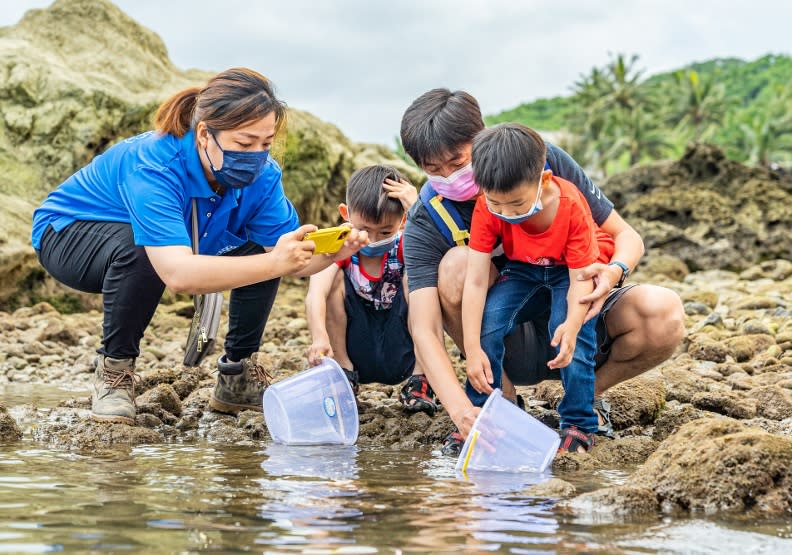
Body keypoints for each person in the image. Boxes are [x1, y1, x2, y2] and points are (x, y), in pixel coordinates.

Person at [31, 68, 367, 425]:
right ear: (205, 134)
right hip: (70, 235)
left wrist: (333, 254)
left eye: (265, 143)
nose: (256, 154)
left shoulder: (263, 177)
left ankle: (236, 376)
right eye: (244, 143)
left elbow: (292, 256)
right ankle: (115, 372)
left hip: (184, 239)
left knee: (268, 249)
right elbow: (176, 275)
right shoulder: (155, 163)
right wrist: (277, 263)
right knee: (139, 248)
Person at [399, 88, 685, 455]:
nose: (450, 177)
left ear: (481, 137)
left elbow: (627, 236)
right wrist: (461, 411)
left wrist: (613, 273)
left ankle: (582, 399)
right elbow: (423, 327)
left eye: (457, 162)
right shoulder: (429, 215)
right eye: (433, 170)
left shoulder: (539, 164)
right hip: (505, 335)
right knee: (459, 263)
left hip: (575, 307)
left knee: (663, 312)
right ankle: (497, 403)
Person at [463, 123, 615, 452]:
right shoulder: (487, 205)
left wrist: (573, 326)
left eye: (517, 205)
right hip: (522, 270)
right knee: (488, 325)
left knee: (574, 333)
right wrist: (472, 349)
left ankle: (579, 422)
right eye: (497, 205)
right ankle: (479, 414)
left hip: (567, 271)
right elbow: (475, 279)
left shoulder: (571, 205)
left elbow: (579, 280)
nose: (506, 213)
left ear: (543, 180)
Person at [305, 165, 437, 414]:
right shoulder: (339, 244)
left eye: (385, 231)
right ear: (346, 213)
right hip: (357, 344)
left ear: (403, 221)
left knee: (419, 279)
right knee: (332, 281)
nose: (373, 240)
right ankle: (343, 376)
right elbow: (315, 294)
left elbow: (438, 237)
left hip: (403, 346)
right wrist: (319, 337)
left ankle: (422, 380)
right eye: (364, 230)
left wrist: (417, 205)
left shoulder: (408, 244)